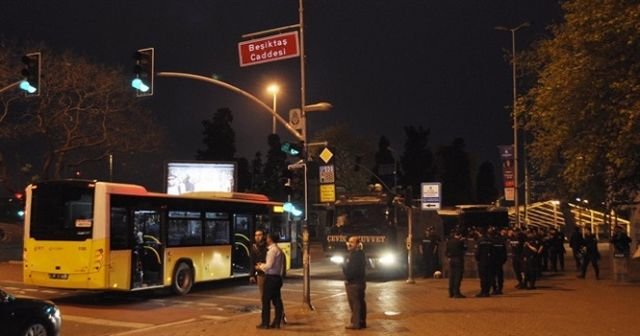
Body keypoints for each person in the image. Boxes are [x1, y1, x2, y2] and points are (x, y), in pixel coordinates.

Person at [256, 232, 285, 329]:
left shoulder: (272, 251)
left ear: (270, 239)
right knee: (277, 300)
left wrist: (260, 266)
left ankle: (265, 323)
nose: (266, 239)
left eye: (267, 238)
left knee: (266, 300)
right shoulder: (278, 250)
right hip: (277, 278)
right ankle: (277, 322)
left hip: (271, 278)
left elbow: (269, 266)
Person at [343, 235, 367, 330]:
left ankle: (355, 323)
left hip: (354, 283)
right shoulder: (360, 254)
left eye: (352, 242)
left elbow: (352, 270)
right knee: (360, 302)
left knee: (355, 303)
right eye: (349, 242)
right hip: (360, 282)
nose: (349, 244)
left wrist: (344, 266)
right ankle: (361, 321)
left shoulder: (355, 256)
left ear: (358, 244)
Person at [446, 230, 466, 298]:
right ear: (460, 235)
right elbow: (464, 249)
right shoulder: (460, 242)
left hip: (451, 260)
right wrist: (463, 241)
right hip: (458, 260)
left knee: (452, 276)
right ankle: (456, 293)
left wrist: (449, 257)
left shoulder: (449, 241)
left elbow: (446, 252)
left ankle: (451, 292)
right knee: (458, 276)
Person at [475, 227, 494, 297]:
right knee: (488, 276)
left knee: (483, 277)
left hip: (482, 261)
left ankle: (483, 291)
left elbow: (477, 253)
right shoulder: (490, 240)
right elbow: (493, 251)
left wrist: (478, 259)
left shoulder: (479, 241)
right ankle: (487, 291)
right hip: (489, 261)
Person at [249, 229, 267, 297]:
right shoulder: (254, 247)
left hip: (269, 273)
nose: (257, 237)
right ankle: (265, 307)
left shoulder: (267, 247)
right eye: (256, 235)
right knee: (263, 294)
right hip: (260, 274)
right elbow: (252, 261)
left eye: (259, 235)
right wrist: (252, 275)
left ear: (263, 236)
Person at [491, 228, 508, 295]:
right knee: (500, 275)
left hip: (493, 261)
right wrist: (503, 260)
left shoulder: (491, 241)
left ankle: (494, 289)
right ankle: (500, 289)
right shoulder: (502, 241)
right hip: (499, 261)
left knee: (493, 276)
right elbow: (504, 252)